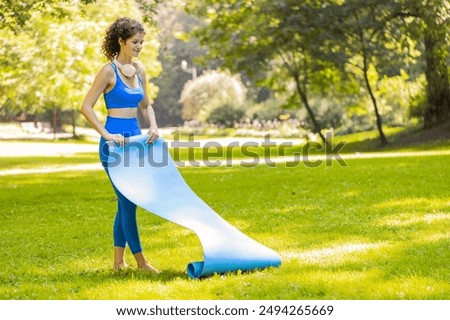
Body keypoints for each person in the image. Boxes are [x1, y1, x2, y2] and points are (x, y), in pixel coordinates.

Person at [80, 17, 160, 272]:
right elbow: (85, 107)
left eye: (141, 42)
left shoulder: (140, 70)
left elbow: (146, 104)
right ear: (121, 41)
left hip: (136, 141)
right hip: (114, 144)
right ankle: (141, 262)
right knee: (128, 200)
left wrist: (154, 126)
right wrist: (105, 134)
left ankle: (118, 263)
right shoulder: (107, 71)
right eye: (135, 42)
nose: (139, 47)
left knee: (126, 201)